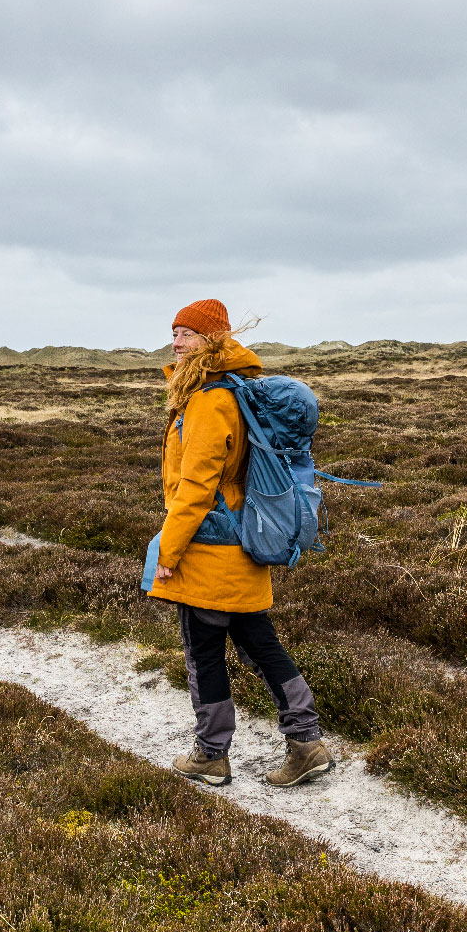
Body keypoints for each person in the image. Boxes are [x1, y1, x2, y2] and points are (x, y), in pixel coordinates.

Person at [149, 298, 333, 788]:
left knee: (204, 650)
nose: (176, 341)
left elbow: (196, 486)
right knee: (261, 643)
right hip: (242, 544)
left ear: (212, 339)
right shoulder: (232, 391)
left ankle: (211, 755)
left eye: (187, 333)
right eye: (174, 331)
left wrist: (169, 552)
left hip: (211, 546)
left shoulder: (210, 401)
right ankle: (306, 742)